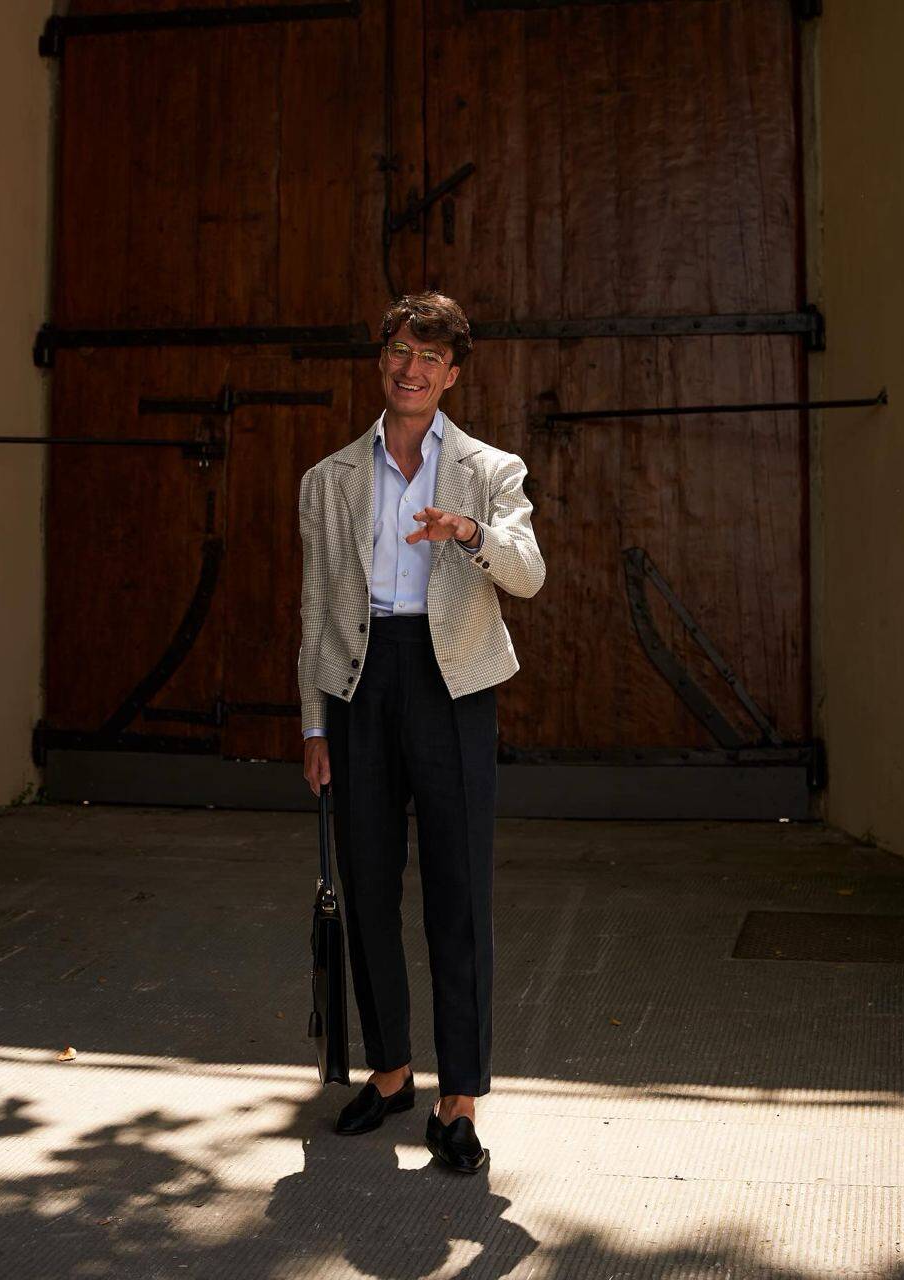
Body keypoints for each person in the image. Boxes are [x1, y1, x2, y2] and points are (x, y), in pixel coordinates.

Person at [297, 290, 545, 1173]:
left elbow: (527, 572)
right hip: (362, 683)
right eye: (401, 351)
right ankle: (393, 1071)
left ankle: (460, 1098)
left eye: (431, 359)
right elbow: (316, 611)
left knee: (458, 893)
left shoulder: (490, 469)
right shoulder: (328, 480)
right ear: (383, 358)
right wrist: (315, 724)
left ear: (453, 375)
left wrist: (468, 531)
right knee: (368, 887)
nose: (412, 369)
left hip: (453, 684)